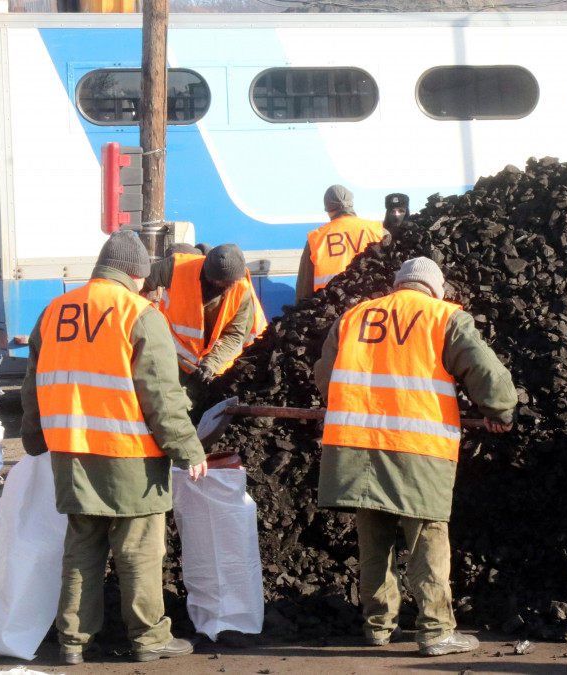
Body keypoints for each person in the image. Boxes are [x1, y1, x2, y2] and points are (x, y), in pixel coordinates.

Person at [20, 231, 208, 665]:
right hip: (129, 456)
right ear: (137, 274)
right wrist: (187, 449)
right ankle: (149, 638)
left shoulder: (54, 311)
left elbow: (31, 387)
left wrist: (34, 439)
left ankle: (72, 642)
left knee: (82, 546)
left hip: (70, 452)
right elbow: (160, 394)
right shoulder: (138, 313)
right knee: (138, 549)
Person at [314, 257, 516, 656]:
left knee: (374, 539)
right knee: (427, 539)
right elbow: (486, 374)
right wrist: (500, 412)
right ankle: (437, 631)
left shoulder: (354, 317)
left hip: (358, 445)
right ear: (434, 289)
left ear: (398, 284)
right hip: (418, 448)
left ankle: (377, 626)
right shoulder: (444, 317)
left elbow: (325, 376)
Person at [142, 244, 267, 395]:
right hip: (173, 357)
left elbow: (234, 335)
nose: (228, 288)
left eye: (230, 284)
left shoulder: (241, 288)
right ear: (207, 275)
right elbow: (139, 282)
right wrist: (143, 320)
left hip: (215, 365)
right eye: (221, 284)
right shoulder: (177, 268)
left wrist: (210, 365)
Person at [295, 185, 389, 302]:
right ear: (351, 204)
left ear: (328, 210)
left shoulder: (315, 240)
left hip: (331, 311)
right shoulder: (378, 231)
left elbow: (304, 289)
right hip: (372, 308)